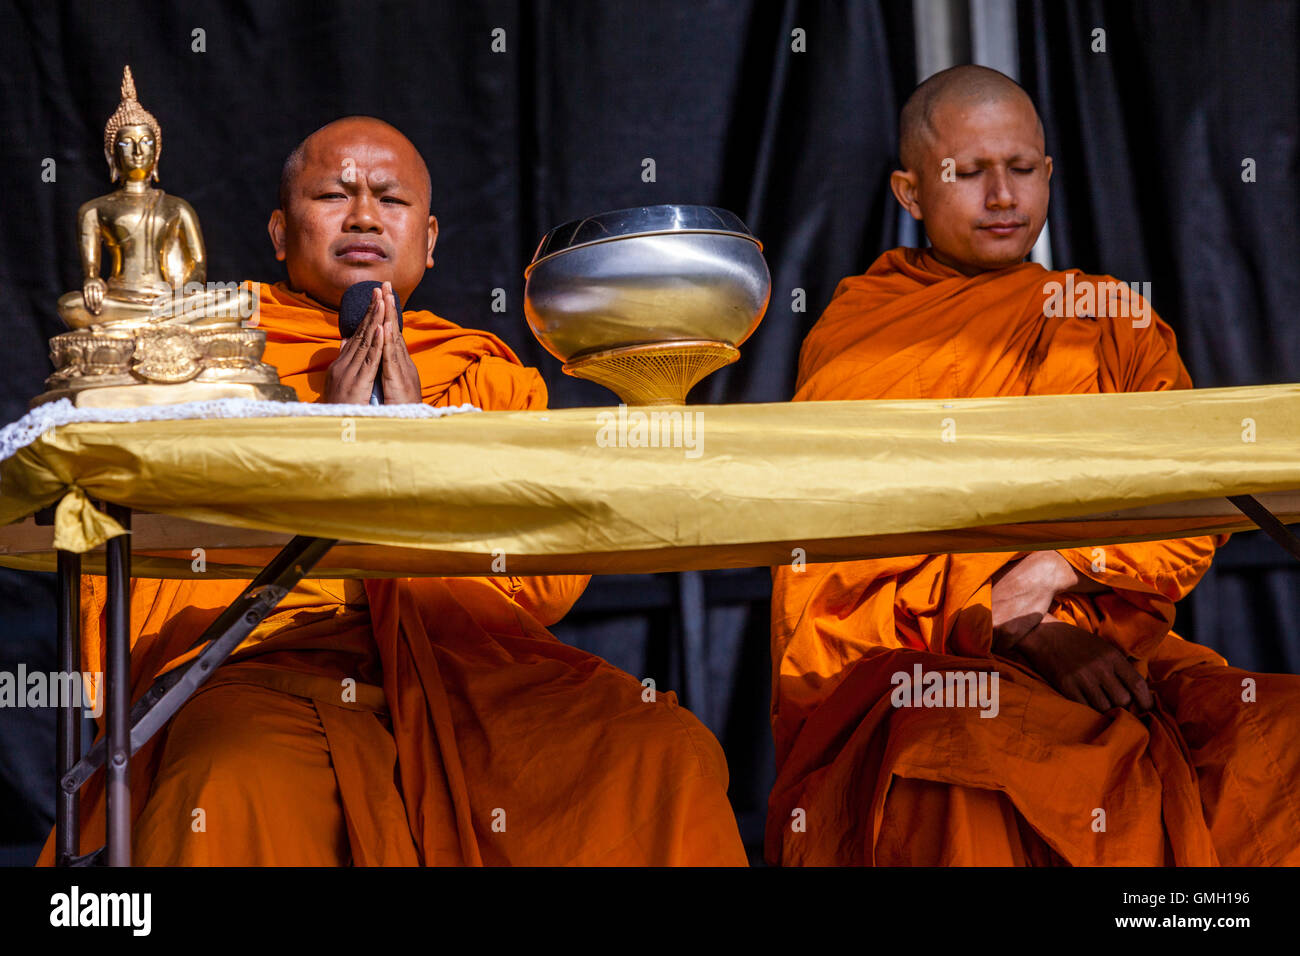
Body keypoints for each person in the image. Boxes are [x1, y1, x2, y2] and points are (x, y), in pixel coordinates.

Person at [39, 116, 746, 866]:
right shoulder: (209, 360)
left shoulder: (480, 374)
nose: (365, 216)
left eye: (391, 200)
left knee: (662, 750)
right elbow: (142, 538)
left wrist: (424, 441)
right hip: (260, 658)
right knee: (230, 776)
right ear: (280, 233)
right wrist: (325, 436)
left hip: (463, 663)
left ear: (430, 239)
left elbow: (545, 586)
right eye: (334, 195)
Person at [767, 65, 1300, 866]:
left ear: (1049, 175)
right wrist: (1008, 621)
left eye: (1021, 169)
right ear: (910, 193)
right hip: (926, 660)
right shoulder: (862, 335)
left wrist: (1056, 572)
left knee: (1279, 738)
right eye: (968, 172)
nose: (1003, 197)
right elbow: (839, 558)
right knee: (956, 754)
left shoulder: (1111, 321)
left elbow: (1198, 508)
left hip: (1118, 651)